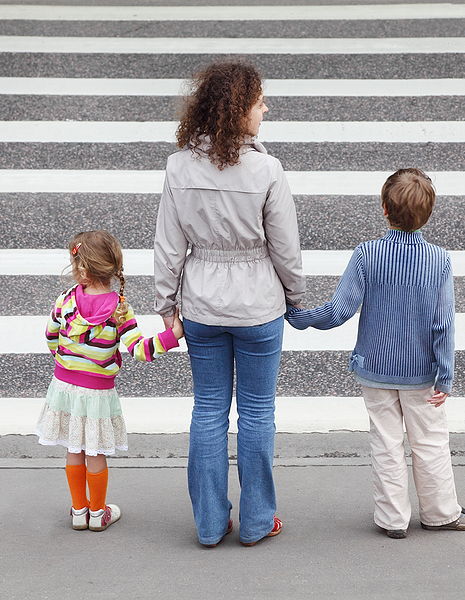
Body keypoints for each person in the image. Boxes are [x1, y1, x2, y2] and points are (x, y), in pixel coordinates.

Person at [153, 59, 306, 547]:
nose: (266, 109)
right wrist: (295, 298)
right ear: (240, 111)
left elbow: (168, 246)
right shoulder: (266, 169)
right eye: (260, 102)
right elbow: (286, 248)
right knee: (258, 412)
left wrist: (166, 307)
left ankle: (209, 523)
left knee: (208, 410)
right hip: (259, 305)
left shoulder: (178, 167)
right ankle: (258, 520)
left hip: (200, 305)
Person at [286, 168, 465, 539]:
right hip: (422, 373)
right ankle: (440, 513)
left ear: (383, 208)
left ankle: (393, 519)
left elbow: (339, 311)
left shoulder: (367, 255)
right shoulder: (439, 260)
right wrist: (446, 375)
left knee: (386, 443)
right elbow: (444, 325)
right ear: (427, 214)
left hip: (375, 370)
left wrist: (298, 317)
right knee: (429, 442)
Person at [36, 230, 183, 532]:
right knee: (95, 452)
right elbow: (139, 350)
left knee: (73, 449)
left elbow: (51, 338)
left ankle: (78, 511)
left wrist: (66, 363)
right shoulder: (119, 308)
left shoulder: (64, 300)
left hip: (64, 386)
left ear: (81, 270)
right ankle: (98, 513)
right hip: (97, 393)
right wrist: (174, 335)